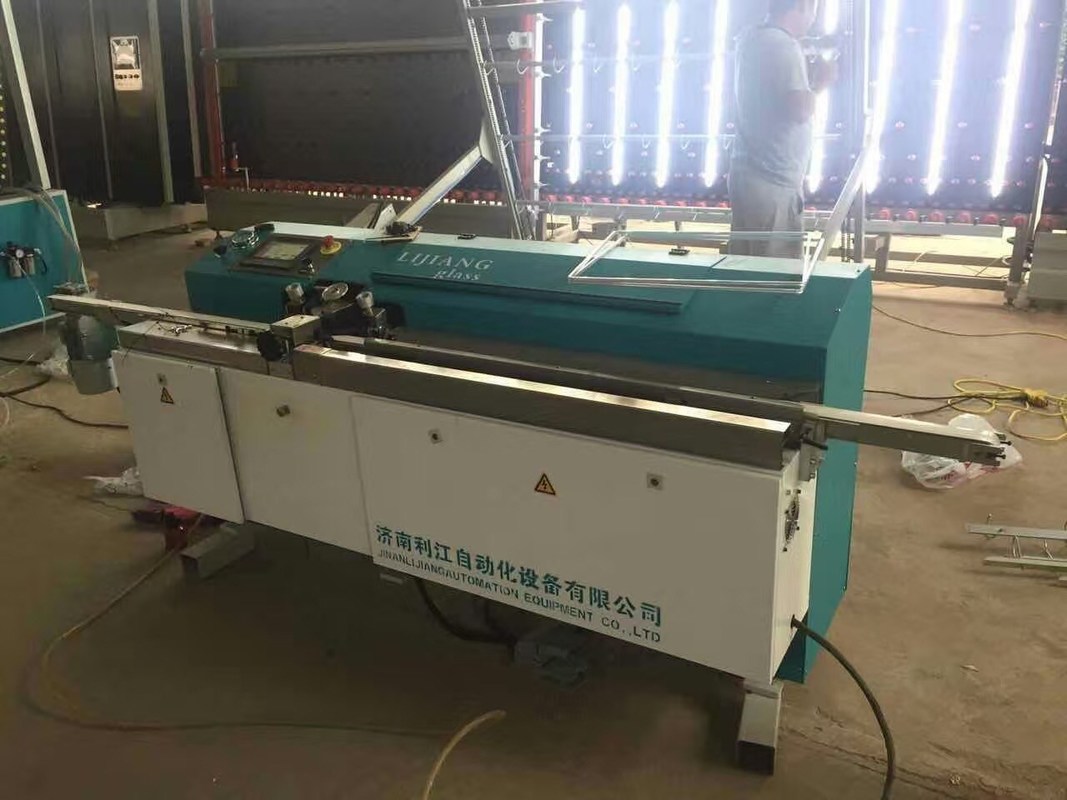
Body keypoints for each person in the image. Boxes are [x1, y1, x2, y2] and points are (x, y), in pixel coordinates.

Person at [729, 0, 837, 259]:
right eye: (813, 11)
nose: (812, 20)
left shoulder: (750, 38)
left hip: (750, 175)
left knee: (745, 266)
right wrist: (821, 83)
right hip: (775, 181)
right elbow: (799, 109)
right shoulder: (783, 45)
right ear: (801, 6)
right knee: (775, 270)